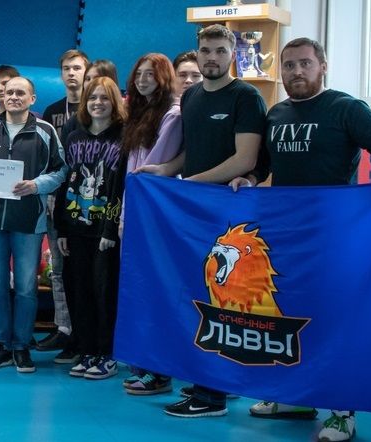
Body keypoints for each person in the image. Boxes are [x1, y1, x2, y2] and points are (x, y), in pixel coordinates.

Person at [244, 37, 371, 442]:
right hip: (287, 235)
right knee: (291, 316)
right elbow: (263, 165)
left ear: (323, 66)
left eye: (305, 63)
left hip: (334, 236)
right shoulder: (276, 113)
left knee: (333, 320)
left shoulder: (345, 108)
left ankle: (342, 411)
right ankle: (296, 397)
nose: (297, 71)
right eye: (289, 65)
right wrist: (250, 178)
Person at [137, 24, 267, 418]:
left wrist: (190, 183)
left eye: (220, 51)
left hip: (229, 215)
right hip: (194, 212)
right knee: (197, 293)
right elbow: (190, 151)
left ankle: (213, 395)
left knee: (222, 301)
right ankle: (207, 383)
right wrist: (166, 170)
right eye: (206, 51)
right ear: (197, 52)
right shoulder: (191, 96)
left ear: (232, 54)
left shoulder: (246, 96)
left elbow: (245, 159)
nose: (212, 58)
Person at [0, 76, 68, 374]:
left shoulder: (45, 131)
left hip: (29, 221)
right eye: (9, 92)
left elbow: (61, 171)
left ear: (32, 98)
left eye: (20, 92)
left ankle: (22, 346)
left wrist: (36, 185)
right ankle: (2, 344)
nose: (13, 96)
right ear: (2, 97)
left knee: (27, 287)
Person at [115, 53, 184, 395]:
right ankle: (144, 366)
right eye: (139, 74)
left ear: (163, 78)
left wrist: (133, 216)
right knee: (139, 292)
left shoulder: (172, 115)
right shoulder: (138, 114)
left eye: (150, 75)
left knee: (157, 294)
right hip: (135, 213)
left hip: (154, 217)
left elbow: (152, 170)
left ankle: (159, 371)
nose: (143, 80)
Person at [54, 76, 126, 381]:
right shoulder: (73, 137)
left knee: (103, 291)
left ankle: (106, 353)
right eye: (93, 98)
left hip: (104, 232)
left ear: (115, 102)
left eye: (104, 98)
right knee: (78, 290)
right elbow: (64, 183)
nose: (98, 103)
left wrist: (110, 229)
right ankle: (86, 350)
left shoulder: (124, 138)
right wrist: (61, 229)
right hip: (75, 228)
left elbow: (121, 188)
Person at [34, 49, 88, 363]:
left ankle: (85, 332)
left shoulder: (97, 105)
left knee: (83, 270)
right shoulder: (53, 111)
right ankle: (63, 327)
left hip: (89, 199)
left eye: (77, 68)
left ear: (87, 71)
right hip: (58, 196)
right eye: (67, 68)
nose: (71, 73)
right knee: (58, 268)